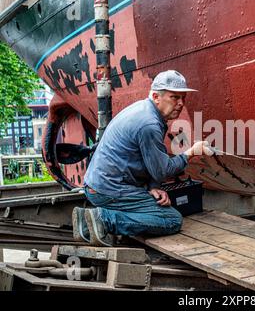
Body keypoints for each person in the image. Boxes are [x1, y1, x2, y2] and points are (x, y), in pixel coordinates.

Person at [72, 70, 213, 246]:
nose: (181, 103)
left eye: (183, 98)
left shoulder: (143, 110)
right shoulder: (149, 124)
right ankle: (102, 220)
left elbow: (149, 162)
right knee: (171, 220)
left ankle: (88, 218)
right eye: (174, 98)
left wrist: (151, 188)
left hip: (100, 184)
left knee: (159, 209)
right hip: (108, 190)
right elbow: (164, 170)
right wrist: (191, 152)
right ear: (156, 96)